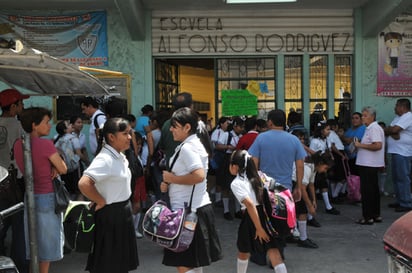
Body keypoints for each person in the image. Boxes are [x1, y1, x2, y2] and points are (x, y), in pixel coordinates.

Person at [160, 107, 222, 273]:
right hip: (195, 209)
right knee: (194, 261)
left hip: (187, 212)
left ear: (187, 127)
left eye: (174, 126)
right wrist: (170, 181)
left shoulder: (188, 147)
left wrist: (172, 179)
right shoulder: (195, 144)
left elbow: (199, 175)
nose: (171, 129)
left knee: (184, 263)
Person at [78, 117, 139, 273]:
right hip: (110, 216)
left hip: (122, 213)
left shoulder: (119, 155)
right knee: (108, 265)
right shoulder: (105, 159)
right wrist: (100, 200)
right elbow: (84, 183)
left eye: (130, 133)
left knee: (120, 264)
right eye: (125, 133)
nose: (129, 137)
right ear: (111, 137)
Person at [248, 109, 306, 272]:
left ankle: (260, 255)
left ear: (270, 122)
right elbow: (300, 165)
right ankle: (278, 253)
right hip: (284, 189)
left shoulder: (261, 138)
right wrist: (299, 186)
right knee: (280, 222)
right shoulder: (294, 140)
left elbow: (254, 163)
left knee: (262, 221)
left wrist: (255, 185)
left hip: (264, 188)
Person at [13, 107, 67, 273]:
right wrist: (55, 166)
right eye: (46, 122)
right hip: (47, 196)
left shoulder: (18, 144)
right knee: (46, 250)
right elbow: (63, 168)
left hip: (30, 196)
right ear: (34, 125)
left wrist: (53, 166)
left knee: (34, 245)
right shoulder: (45, 144)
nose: (49, 125)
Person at [230, 149, 288, 273]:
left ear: (235, 166)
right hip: (267, 215)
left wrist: (259, 228)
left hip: (251, 219)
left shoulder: (237, 183)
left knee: (244, 251)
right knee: (273, 251)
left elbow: (250, 205)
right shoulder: (260, 176)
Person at [0, 88, 30, 273]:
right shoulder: (18, 127)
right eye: (20, 103)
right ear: (13, 106)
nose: (23, 106)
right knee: (18, 223)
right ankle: (19, 265)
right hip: (13, 181)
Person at [292, 151, 332, 248]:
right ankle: (303, 238)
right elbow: (302, 187)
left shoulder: (313, 168)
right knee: (302, 212)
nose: (325, 171)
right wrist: (310, 206)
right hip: (294, 186)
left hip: (298, 187)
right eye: (325, 168)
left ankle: (296, 234)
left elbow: (311, 185)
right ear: (320, 164)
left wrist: (313, 200)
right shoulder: (307, 167)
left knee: (298, 211)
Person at [354, 106, 385, 224]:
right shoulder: (369, 128)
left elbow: (377, 145)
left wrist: (360, 145)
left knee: (368, 191)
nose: (362, 118)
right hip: (368, 163)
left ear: (372, 117)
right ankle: (375, 214)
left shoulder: (374, 128)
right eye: (362, 115)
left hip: (369, 164)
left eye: (365, 115)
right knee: (372, 190)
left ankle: (368, 216)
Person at [384, 98, 412, 212]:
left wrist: (392, 131)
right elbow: (390, 131)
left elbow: (394, 130)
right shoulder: (398, 118)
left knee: (403, 177)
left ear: (402, 107)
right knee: (396, 177)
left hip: (404, 152)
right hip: (396, 151)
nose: (394, 108)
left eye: (396, 106)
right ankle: (400, 200)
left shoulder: (408, 116)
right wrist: (392, 131)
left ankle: (406, 203)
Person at [309, 122, 340, 215]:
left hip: (324, 165)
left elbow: (329, 150)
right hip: (317, 166)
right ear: (321, 131)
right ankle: (312, 206)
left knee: (324, 185)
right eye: (327, 129)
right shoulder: (314, 141)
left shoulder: (326, 140)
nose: (329, 131)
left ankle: (328, 206)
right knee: (313, 185)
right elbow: (312, 154)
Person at [53, 120, 82, 199]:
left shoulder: (56, 138)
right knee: (78, 191)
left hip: (62, 168)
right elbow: (79, 154)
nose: (71, 125)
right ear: (65, 130)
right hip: (74, 167)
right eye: (69, 125)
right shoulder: (73, 139)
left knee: (66, 189)